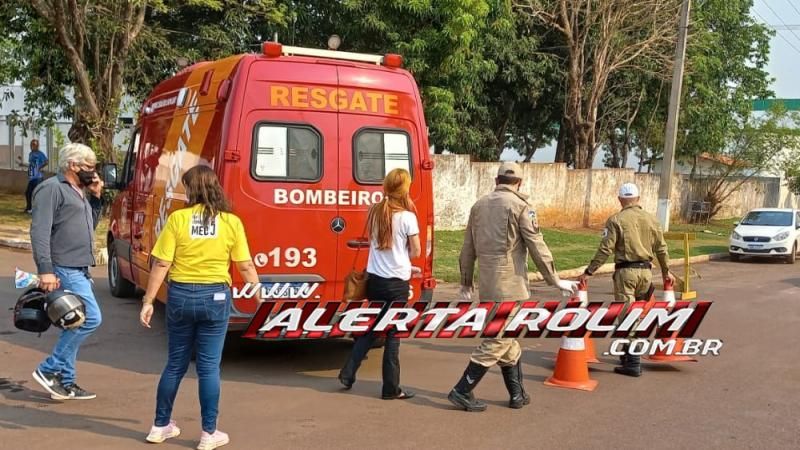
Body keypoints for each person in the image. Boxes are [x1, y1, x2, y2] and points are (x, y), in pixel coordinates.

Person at [138, 165, 261, 449]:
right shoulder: (231, 222)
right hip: (215, 297)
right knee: (208, 368)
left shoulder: (178, 219)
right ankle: (208, 433)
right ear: (216, 187)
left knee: (175, 364)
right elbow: (245, 264)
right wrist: (259, 298)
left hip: (180, 295)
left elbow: (162, 263)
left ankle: (160, 426)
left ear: (191, 189)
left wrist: (148, 301)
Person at [448, 162, 578, 412]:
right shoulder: (521, 207)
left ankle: (517, 394)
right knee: (498, 339)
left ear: (496, 180)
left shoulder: (478, 206)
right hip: (511, 285)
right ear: (520, 182)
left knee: (509, 339)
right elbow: (536, 245)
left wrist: (466, 282)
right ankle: (462, 389)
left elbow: (467, 249)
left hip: (487, 284)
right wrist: (555, 279)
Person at [338, 168, 420, 400]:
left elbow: (383, 250)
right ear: (405, 188)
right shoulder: (407, 216)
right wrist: (405, 262)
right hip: (396, 285)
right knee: (393, 334)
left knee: (374, 328)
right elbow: (415, 250)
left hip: (375, 281)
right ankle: (390, 389)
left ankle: (348, 372)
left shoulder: (374, 211)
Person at [30, 143, 103, 400]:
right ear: (72, 165)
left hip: (79, 267)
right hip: (63, 267)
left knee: (74, 322)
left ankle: (66, 381)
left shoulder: (79, 191)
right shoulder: (51, 189)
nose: (93, 173)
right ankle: (48, 369)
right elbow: (39, 232)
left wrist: (96, 198)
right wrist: (46, 270)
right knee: (92, 318)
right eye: (89, 167)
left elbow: (90, 225)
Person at [578, 182, 674, 377]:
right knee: (638, 314)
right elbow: (662, 249)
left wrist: (590, 271)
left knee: (627, 316)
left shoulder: (616, 220)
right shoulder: (652, 220)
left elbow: (606, 249)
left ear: (620, 199)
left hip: (626, 273)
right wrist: (666, 272)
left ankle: (633, 362)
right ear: (638, 199)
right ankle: (627, 354)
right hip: (646, 272)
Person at [17, 139, 49, 213]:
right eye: (32, 144)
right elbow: (31, 165)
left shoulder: (40, 154)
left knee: (36, 194)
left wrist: (40, 167)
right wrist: (22, 164)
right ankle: (29, 208)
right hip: (32, 177)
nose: (34, 146)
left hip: (38, 177)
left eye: (35, 144)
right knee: (28, 193)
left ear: (38, 145)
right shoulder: (30, 154)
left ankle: (37, 209)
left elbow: (46, 161)